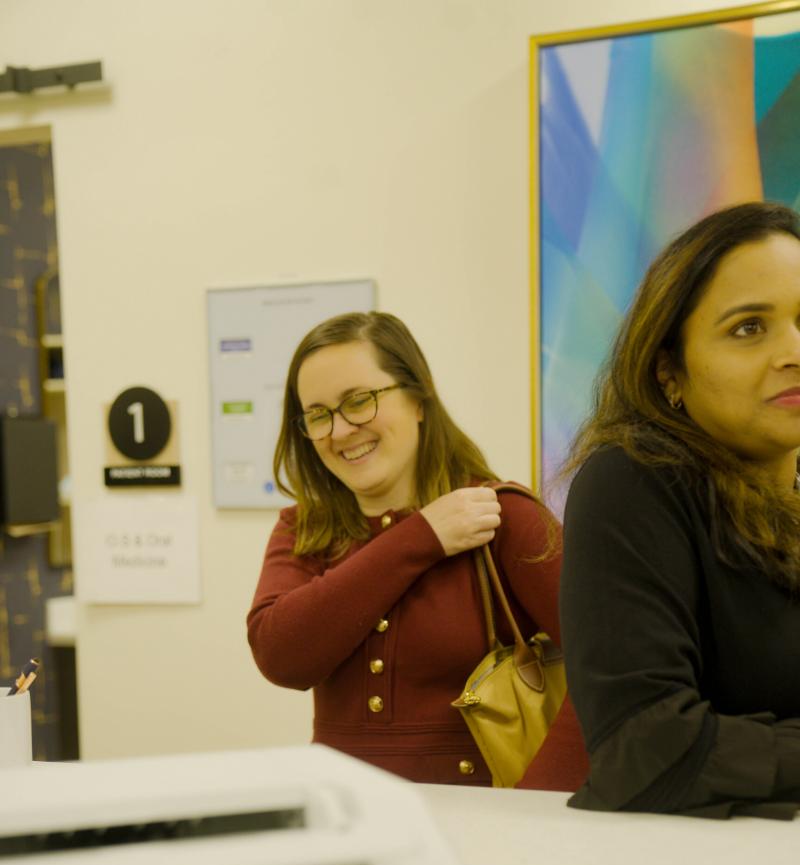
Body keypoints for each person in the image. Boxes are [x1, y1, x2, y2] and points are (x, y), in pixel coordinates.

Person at [247, 311, 587, 789]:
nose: (340, 431)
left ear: (419, 395)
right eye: (318, 414)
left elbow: (609, 666)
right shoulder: (303, 528)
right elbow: (281, 656)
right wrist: (420, 536)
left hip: (487, 830)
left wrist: (533, 811)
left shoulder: (500, 516)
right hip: (346, 820)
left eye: (359, 401)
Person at [560, 201, 800, 818]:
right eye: (749, 327)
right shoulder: (632, 482)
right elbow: (646, 749)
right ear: (670, 370)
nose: (793, 351)